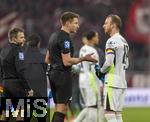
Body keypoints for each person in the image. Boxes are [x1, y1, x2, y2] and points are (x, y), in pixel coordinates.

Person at [45, 11, 97, 122]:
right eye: (75, 23)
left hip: (53, 74)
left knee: (58, 108)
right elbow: (67, 61)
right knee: (62, 109)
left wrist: (55, 68)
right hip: (62, 75)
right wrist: (83, 58)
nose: (78, 26)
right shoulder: (65, 38)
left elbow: (47, 59)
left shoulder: (53, 36)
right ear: (68, 23)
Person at [96, 14, 129, 122]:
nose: (103, 25)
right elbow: (127, 64)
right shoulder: (124, 42)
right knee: (117, 115)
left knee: (109, 114)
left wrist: (100, 71)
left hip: (112, 82)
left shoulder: (111, 41)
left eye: (106, 23)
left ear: (113, 25)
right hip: (122, 82)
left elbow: (109, 62)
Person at [0, 28, 33, 121]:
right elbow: (20, 71)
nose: (24, 39)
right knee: (20, 113)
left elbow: (0, 70)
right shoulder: (18, 51)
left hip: (5, 84)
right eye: (21, 37)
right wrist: (28, 88)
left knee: (5, 113)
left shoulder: (3, 50)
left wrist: (1, 85)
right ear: (14, 39)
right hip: (17, 86)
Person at [75, 31, 104, 122]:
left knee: (88, 106)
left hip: (82, 79)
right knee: (92, 106)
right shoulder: (93, 51)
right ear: (92, 38)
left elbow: (80, 66)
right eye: (97, 37)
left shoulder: (82, 49)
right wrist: (100, 83)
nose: (98, 39)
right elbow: (95, 70)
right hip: (90, 80)